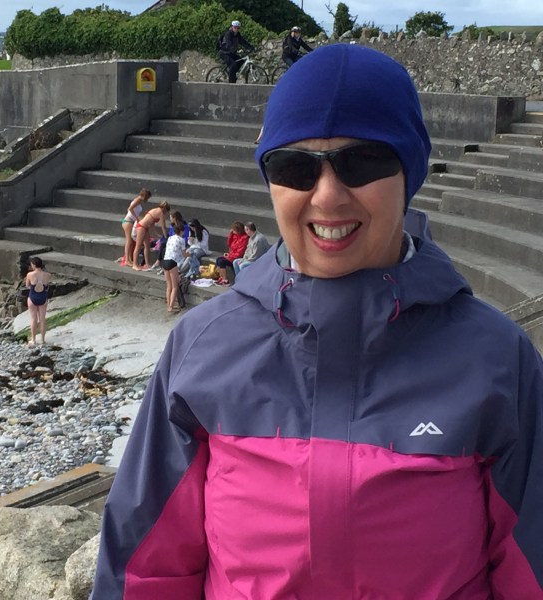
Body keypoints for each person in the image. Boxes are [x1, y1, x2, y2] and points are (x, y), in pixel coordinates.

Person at [91, 43, 543, 599]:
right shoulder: (202, 344)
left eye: (363, 162)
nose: (328, 197)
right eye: (295, 167)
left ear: (410, 172)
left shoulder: (497, 358)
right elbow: (143, 568)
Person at [132, 201, 170, 271]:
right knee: (138, 246)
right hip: (141, 227)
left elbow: (151, 224)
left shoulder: (155, 210)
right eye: (166, 211)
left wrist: (156, 234)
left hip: (144, 228)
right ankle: (135, 264)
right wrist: (166, 237)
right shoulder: (160, 213)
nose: (165, 213)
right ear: (164, 209)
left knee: (147, 245)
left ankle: (147, 264)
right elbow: (163, 227)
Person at [120, 188, 151, 267]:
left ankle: (128, 259)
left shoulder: (138, 200)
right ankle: (127, 260)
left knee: (130, 241)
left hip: (130, 221)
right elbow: (130, 208)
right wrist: (136, 218)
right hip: (128, 221)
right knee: (129, 241)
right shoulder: (138, 199)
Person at [24, 256, 51, 346]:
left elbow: (27, 285)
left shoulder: (30, 274)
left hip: (33, 297)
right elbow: (46, 285)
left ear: (34, 265)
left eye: (32, 264)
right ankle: (43, 340)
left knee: (33, 319)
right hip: (43, 297)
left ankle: (33, 339)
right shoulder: (47, 275)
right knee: (42, 319)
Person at [161, 222, 187, 312]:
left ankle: (168, 305)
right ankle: (171, 307)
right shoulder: (181, 240)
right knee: (175, 286)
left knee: (169, 286)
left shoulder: (170, 238)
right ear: (181, 231)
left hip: (165, 261)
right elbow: (184, 254)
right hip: (172, 262)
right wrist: (189, 254)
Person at [214, 220, 248, 285]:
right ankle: (221, 277)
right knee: (218, 259)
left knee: (222, 261)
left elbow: (239, 253)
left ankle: (225, 280)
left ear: (238, 230)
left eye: (234, 230)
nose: (232, 231)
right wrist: (231, 234)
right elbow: (229, 244)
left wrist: (229, 256)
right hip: (232, 256)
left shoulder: (244, 238)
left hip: (237, 258)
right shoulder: (235, 235)